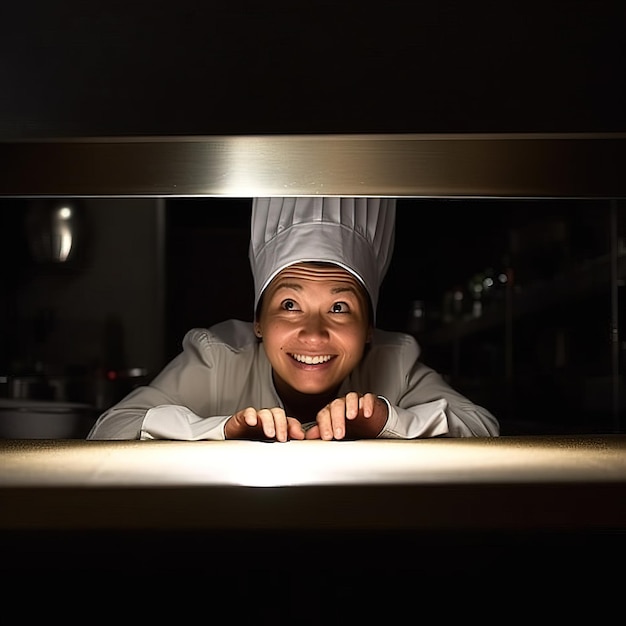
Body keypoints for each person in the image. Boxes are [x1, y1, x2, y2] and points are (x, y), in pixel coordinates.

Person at [87, 197, 499, 441]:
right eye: (289, 304)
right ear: (258, 323)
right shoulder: (218, 357)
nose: (314, 333)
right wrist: (220, 432)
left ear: (369, 329)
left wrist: (386, 422)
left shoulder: (396, 360)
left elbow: (482, 427)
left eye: (339, 308)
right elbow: (110, 428)